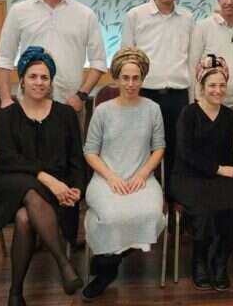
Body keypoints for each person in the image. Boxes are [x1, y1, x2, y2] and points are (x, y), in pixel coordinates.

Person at [0, 46, 85, 306]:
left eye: (44, 77)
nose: (39, 82)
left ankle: (15, 292)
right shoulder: (6, 115)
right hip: (11, 184)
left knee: (25, 217)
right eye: (33, 76)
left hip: (55, 192)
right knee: (28, 189)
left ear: (51, 82)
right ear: (22, 80)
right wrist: (47, 178)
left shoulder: (65, 114)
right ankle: (63, 264)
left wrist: (77, 189)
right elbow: (9, 160)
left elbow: (77, 160)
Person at [82, 48, 166, 300]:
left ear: (142, 79)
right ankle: (107, 269)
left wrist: (143, 174)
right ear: (117, 79)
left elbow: (159, 148)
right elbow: (90, 152)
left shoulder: (153, 109)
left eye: (136, 78)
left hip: (142, 178)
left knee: (151, 214)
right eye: (125, 78)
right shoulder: (103, 111)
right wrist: (111, 177)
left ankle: (108, 261)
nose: (130, 84)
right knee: (111, 217)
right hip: (106, 178)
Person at [0, 0, 107, 126]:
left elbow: (99, 62)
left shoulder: (86, 15)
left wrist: (81, 96)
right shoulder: (19, 11)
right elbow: (4, 57)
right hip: (27, 106)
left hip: (69, 105)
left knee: (71, 145)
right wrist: (5, 98)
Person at [171, 55, 233, 291]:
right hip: (188, 176)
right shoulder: (188, 113)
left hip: (219, 176)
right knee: (203, 211)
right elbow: (185, 153)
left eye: (222, 85)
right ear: (202, 87)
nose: (218, 90)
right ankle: (199, 260)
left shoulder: (229, 116)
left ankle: (220, 259)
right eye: (212, 85)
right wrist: (218, 169)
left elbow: (227, 153)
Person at [122, 0, 194, 185]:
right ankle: (143, 193)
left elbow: (191, 60)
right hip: (145, 94)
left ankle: (172, 197)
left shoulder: (188, 18)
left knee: (176, 150)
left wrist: (193, 100)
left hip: (178, 96)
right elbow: (126, 58)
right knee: (143, 148)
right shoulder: (136, 15)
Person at [189, 0, 233, 141]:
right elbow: (192, 66)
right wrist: (192, 102)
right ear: (219, 0)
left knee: (229, 148)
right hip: (205, 104)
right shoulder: (203, 27)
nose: (229, 1)